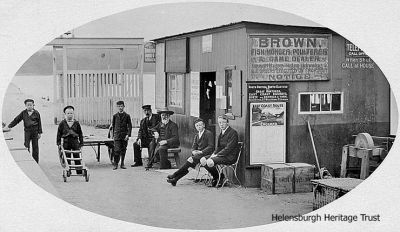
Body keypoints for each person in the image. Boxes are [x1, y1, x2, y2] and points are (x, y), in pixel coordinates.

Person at [166, 118, 214, 186]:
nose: (199, 127)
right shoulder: (197, 135)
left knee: (190, 160)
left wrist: (201, 152)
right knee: (189, 166)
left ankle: (174, 175)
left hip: (207, 154)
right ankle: (175, 180)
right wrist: (194, 151)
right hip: (198, 155)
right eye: (197, 126)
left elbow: (211, 146)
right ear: (195, 127)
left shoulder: (208, 133)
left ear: (204, 125)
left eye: (200, 125)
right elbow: (193, 147)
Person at [200, 115, 240, 187]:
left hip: (229, 157)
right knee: (203, 160)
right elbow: (218, 147)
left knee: (210, 161)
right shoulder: (221, 133)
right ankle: (219, 177)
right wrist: (214, 154)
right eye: (220, 123)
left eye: (223, 122)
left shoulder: (233, 133)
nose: (221, 124)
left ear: (227, 123)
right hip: (221, 155)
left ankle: (218, 178)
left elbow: (229, 148)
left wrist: (217, 155)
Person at [5, 99, 42, 163]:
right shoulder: (23, 113)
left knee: (35, 147)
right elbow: (16, 120)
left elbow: (39, 123)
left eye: (31, 105)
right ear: (25, 105)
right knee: (26, 146)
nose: (29, 106)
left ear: (33, 105)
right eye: (28, 105)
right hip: (27, 131)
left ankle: (35, 161)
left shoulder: (37, 113)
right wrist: (9, 126)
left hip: (35, 132)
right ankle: (27, 160)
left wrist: (39, 133)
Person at [56, 106, 84, 173]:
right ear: (65, 114)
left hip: (75, 142)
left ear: (73, 114)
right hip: (66, 142)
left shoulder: (76, 123)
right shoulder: (62, 123)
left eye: (71, 113)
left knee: (76, 156)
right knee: (67, 157)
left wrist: (81, 142)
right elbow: (59, 134)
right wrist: (59, 143)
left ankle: (79, 171)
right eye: (68, 113)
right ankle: (68, 170)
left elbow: (80, 133)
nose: (70, 115)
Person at [111, 100, 132, 170]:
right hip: (117, 136)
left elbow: (130, 126)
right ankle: (116, 164)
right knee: (116, 150)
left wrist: (128, 135)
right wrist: (113, 135)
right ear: (117, 107)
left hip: (124, 136)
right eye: (119, 106)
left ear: (124, 107)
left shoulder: (127, 116)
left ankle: (122, 163)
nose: (120, 108)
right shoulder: (115, 116)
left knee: (123, 150)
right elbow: (113, 126)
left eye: (121, 106)